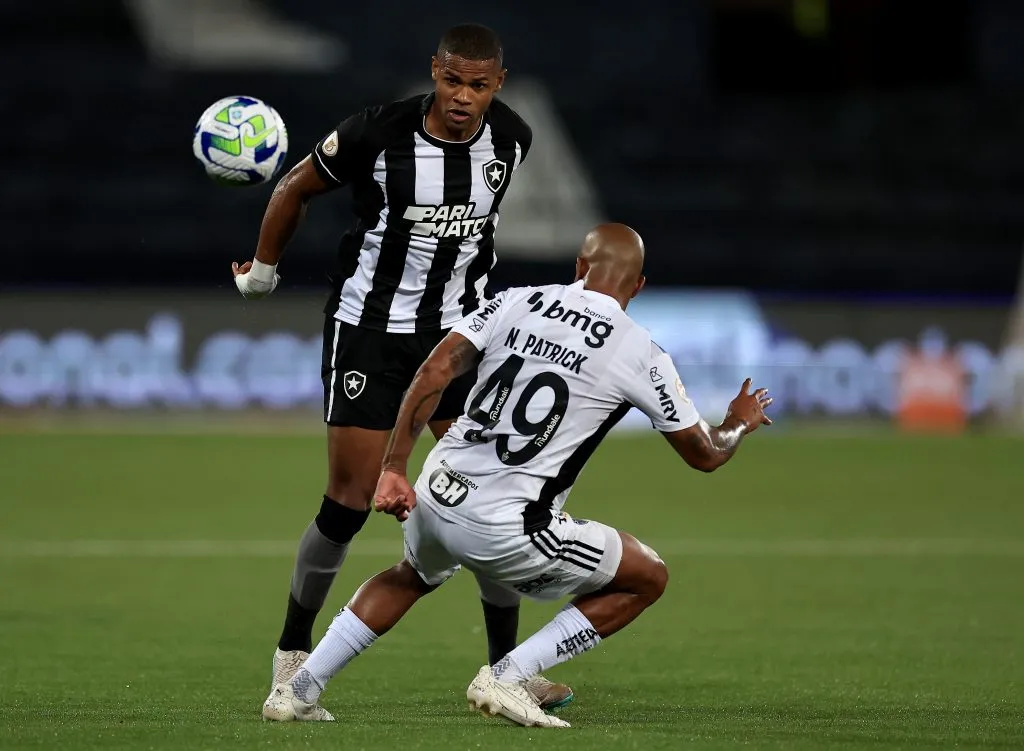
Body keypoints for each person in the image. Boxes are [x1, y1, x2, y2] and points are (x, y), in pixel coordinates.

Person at [261, 223, 774, 727]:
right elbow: (705, 453)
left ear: (579, 267)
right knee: (647, 576)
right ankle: (510, 674)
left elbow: (434, 372)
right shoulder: (640, 352)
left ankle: (297, 691)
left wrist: (394, 466)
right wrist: (739, 423)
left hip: (438, 486)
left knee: (411, 575)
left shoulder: (516, 301)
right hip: (508, 523)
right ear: (638, 287)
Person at [227, 23, 573, 710]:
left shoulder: (512, 140)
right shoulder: (375, 135)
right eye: (452, 80)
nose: (463, 97)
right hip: (370, 335)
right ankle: (292, 656)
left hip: (460, 343)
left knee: (496, 499)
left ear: (497, 83)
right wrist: (262, 273)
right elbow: (293, 187)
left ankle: (506, 669)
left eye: (478, 85)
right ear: (433, 72)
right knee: (348, 503)